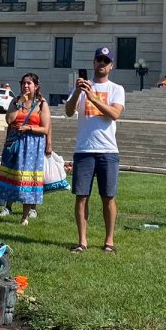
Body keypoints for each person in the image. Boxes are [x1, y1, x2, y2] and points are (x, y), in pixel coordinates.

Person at [65, 47, 125, 253]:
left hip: (108, 150)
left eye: (105, 61)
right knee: (81, 196)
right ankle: (82, 241)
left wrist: (93, 98)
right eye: (98, 59)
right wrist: (77, 93)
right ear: (93, 63)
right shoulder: (81, 88)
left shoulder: (117, 89)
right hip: (84, 149)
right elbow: (68, 111)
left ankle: (109, 241)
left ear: (111, 66)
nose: (101, 63)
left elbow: (115, 114)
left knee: (108, 196)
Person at [0, 73, 52, 225]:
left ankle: (25, 217)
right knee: (4, 177)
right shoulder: (15, 101)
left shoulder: (41, 104)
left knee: (27, 180)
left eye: (29, 83)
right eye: (24, 83)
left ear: (36, 86)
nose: (26, 86)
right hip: (14, 145)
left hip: (32, 147)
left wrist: (29, 128)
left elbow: (45, 128)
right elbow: (9, 120)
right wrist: (20, 102)